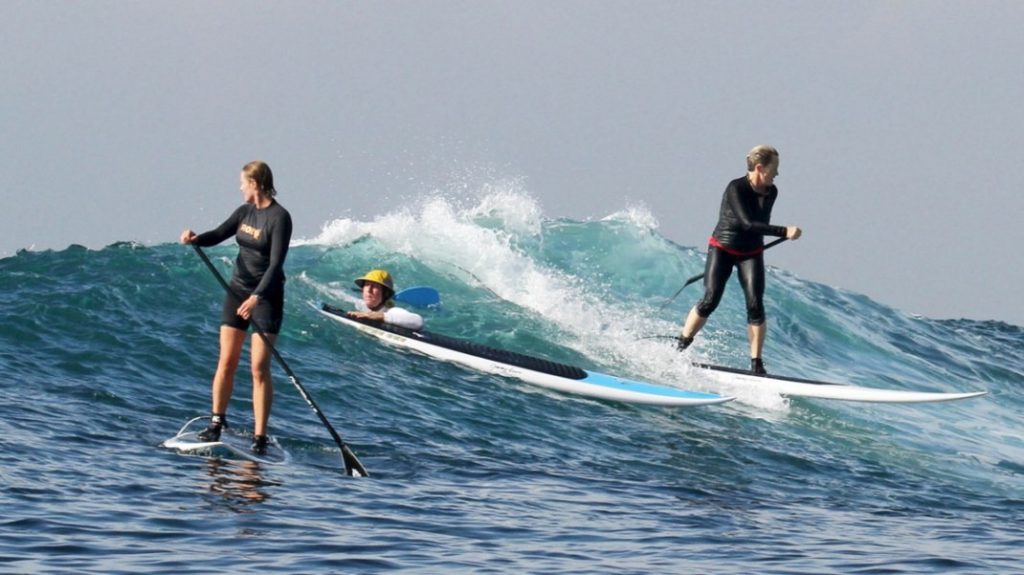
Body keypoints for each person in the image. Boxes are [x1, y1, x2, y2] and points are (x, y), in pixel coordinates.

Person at [180, 160, 292, 455]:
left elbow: (276, 263)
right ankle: (217, 422)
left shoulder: (280, 217)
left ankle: (260, 436)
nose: (240, 187)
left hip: (266, 296)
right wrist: (196, 239)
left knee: (258, 367)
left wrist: (256, 296)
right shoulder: (244, 212)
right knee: (226, 361)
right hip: (237, 290)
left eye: (243, 182)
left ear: (255, 183)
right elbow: (218, 234)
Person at [677, 145, 801, 375]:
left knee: (755, 304)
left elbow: (759, 223)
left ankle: (757, 364)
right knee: (710, 299)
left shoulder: (771, 191)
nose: (777, 174)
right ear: (760, 168)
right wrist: (785, 231)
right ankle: (682, 344)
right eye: (774, 169)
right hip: (723, 248)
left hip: (751, 252)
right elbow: (748, 223)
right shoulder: (736, 188)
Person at [347, 269, 424, 330]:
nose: (369, 290)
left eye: (375, 286)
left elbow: (418, 321)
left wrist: (380, 316)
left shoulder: (391, 310)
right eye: (367, 285)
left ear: (385, 293)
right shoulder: (360, 304)